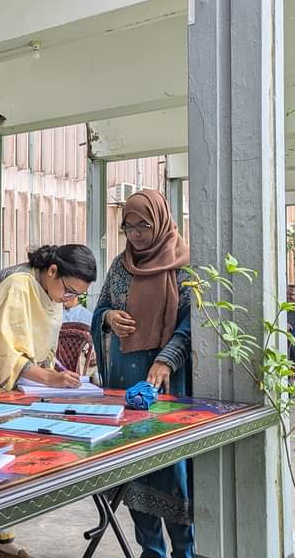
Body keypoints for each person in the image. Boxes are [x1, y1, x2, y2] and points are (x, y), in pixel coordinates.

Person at [0, 244, 96, 558]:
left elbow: (41, 347)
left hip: (18, 388)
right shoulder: (19, 284)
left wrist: (55, 374)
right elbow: (2, 355)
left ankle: (1, 541)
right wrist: (49, 378)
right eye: (69, 289)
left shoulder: (50, 290)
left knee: (11, 461)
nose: (68, 298)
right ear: (52, 271)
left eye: (77, 295)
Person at [92, 189, 193, 558]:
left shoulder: (184, 267)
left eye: (143, 226)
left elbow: (191, 324)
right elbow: (101, 308)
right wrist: (107, 318)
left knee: (173, 471)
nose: (135, 235)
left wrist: (166, 360)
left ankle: (185, 550)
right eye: (128, 227)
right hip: (125, 384)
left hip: (167, 385)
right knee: (133, 468)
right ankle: (151, 550)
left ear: (161, 223)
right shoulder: (120, 266)